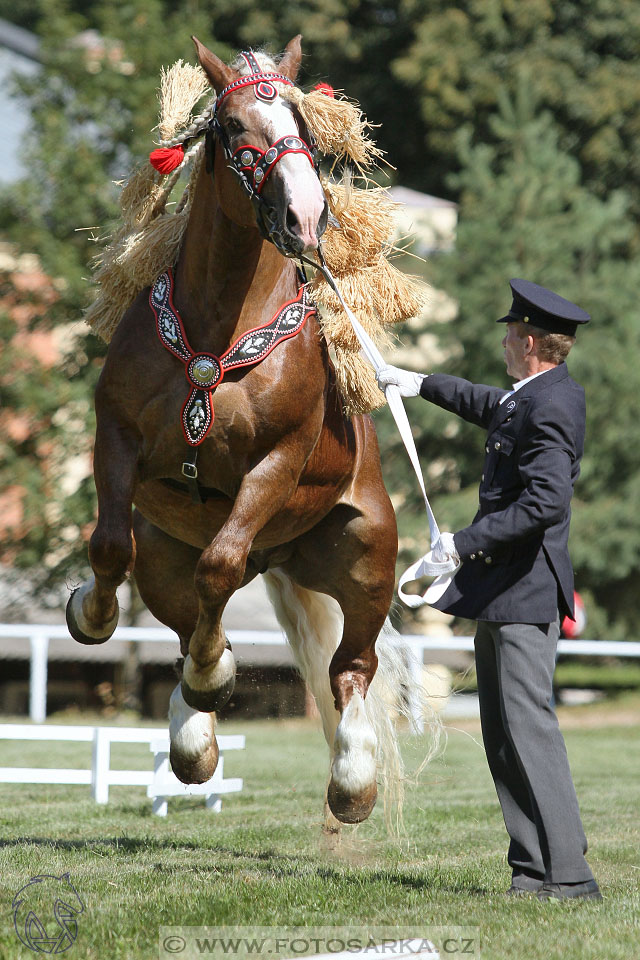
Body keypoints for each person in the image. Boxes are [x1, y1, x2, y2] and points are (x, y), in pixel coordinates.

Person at [377, 278, 601, 901]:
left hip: (526, 593)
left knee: (528, 729)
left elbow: (547, 502)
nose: (503, 342)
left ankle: (570, 875)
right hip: (506, 592)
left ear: (528, 341)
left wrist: (463, 543)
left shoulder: (553, 403)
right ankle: (533, 870)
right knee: (502, 735)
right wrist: (416, 383)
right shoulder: (531, 396)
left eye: (509, 334)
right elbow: (485, 404)